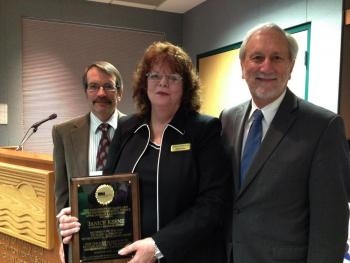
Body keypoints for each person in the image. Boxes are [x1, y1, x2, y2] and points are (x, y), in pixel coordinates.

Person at [58, 41, 231, 263]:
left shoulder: (203, 130)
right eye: (155, 76)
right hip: (130, 257)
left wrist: (159, 245)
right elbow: (107, 188)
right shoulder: (128, 128)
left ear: (186, 86)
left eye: (173, 77)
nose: (163, 83)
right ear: (144, 82)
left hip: (188, 255)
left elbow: (213, 203)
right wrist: (78, 214)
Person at [220, 22, 350, 263]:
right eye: (257, 57)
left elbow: (331, 225)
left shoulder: (323, 127)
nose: (266, 66)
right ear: (242, 66)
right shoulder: (228, 118)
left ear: (290, 67)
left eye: (277, 57)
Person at [53, 61, 124, 262]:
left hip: (125, 239)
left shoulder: (137, 130)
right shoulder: (63, 133)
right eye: (94, 86)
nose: (101, 93)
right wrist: (63, 238)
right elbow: (61, 195)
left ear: (120, 92)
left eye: (108, 86)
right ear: (86, 91)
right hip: (83, 240)